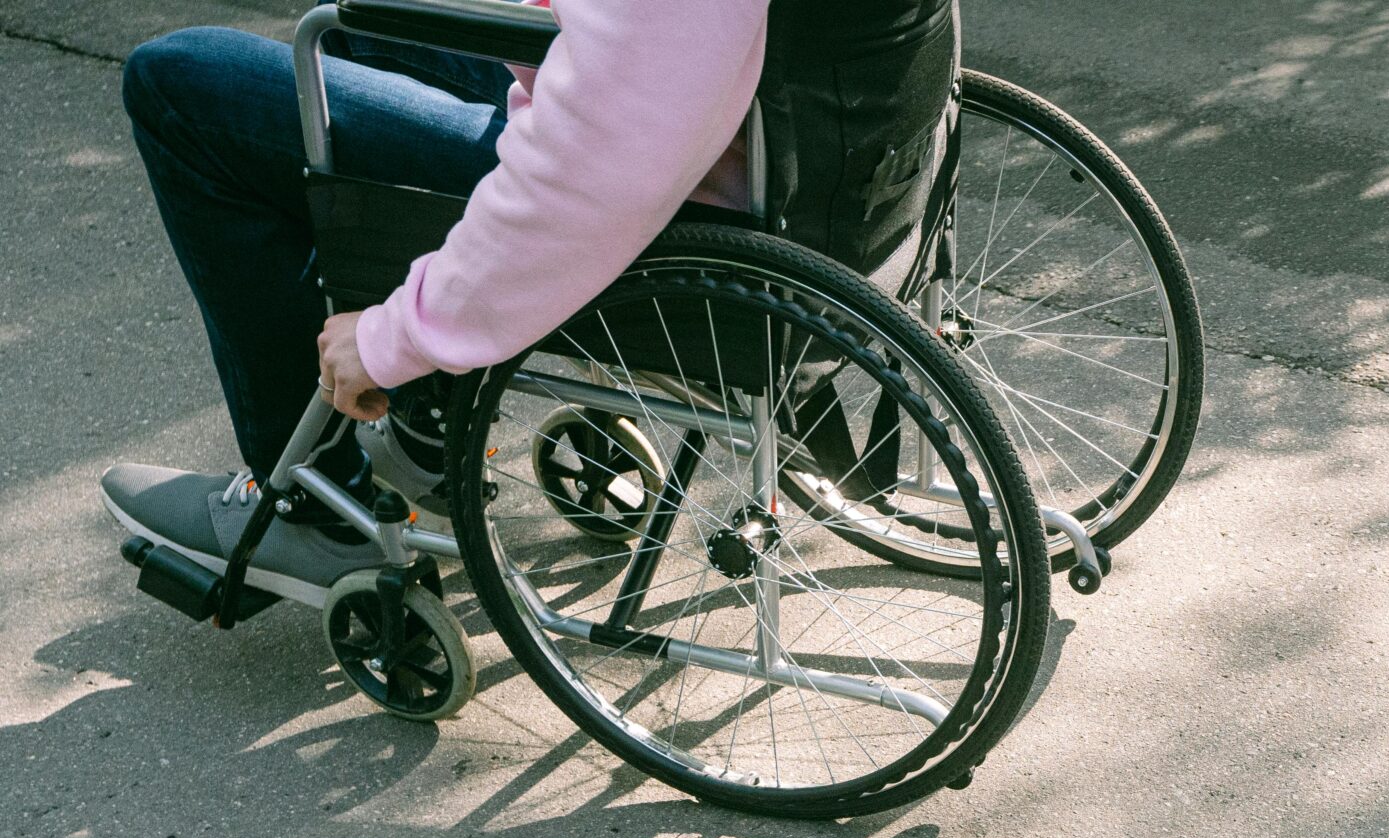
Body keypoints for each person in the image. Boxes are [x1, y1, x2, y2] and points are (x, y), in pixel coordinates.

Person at [100, 0, 951, 592]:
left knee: (180, 87)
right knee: (363, 23)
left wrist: (398, 335)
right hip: (811, 170)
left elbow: (597, 171)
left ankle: (313, 507)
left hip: (680, 217)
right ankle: (433, 423)